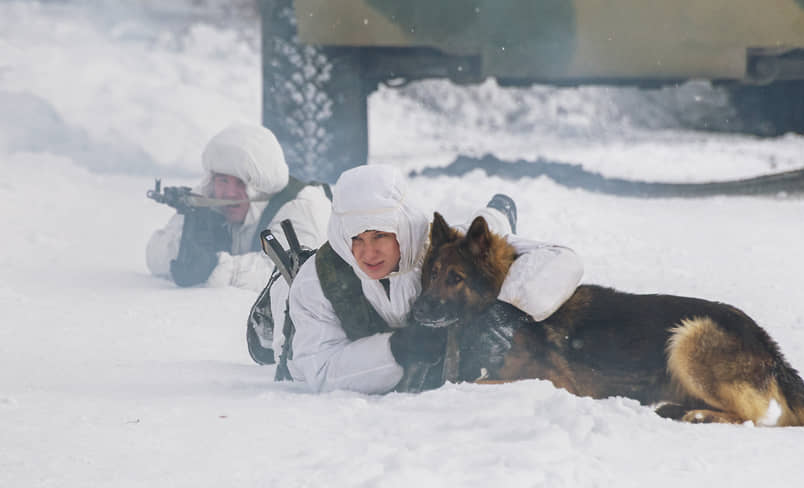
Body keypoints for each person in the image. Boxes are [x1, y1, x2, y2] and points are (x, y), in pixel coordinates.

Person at [279, 164, 583, 394]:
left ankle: (497, 214)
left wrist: (510, 310)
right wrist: (394, 350)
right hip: (298, 318)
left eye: (379, 236)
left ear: (401, 227)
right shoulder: (317, 280)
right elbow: (319, 371)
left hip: (468, 235)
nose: (367, 252)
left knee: (485, 235)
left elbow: (561, 259)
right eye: (355, 238)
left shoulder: (434, 249)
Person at [146, 125, 332, 291]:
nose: (229, 193)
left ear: (260, 184)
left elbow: (287, 273)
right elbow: (155, 255)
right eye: (223, 180)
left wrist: (216, 266)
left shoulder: (300, 207)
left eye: (241, 183)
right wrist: (184, 248)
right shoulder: (210, 200)